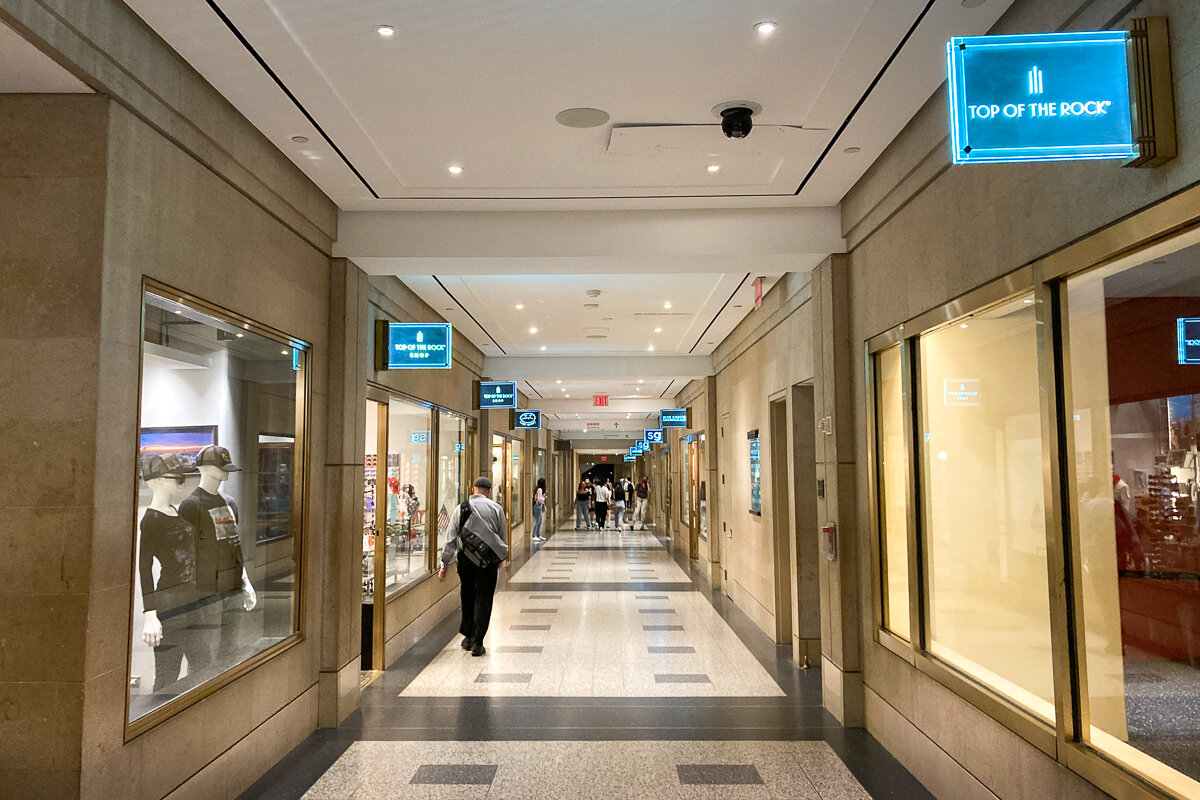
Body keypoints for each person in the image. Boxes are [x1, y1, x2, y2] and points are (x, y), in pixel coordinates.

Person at [438, 476, 509, 657]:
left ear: (473, 490)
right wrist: (500, 557)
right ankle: (477, 641)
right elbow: (502, 536)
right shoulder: (496, 508)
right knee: (484, 598)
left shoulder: (461, 508)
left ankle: (468, 636)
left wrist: (444, 564)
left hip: (466, 560)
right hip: (488, 561)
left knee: (467, 595)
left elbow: (451, 538)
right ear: (489, 491)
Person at [532, 478, 548, 542]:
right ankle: (534, 535)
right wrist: (544, 498)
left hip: (539, 506)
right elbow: (539, 499)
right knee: (537, 521)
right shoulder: (540, 489)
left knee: (540, 521)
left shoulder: (540, 489)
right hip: (537, 505)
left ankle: (538, 534)